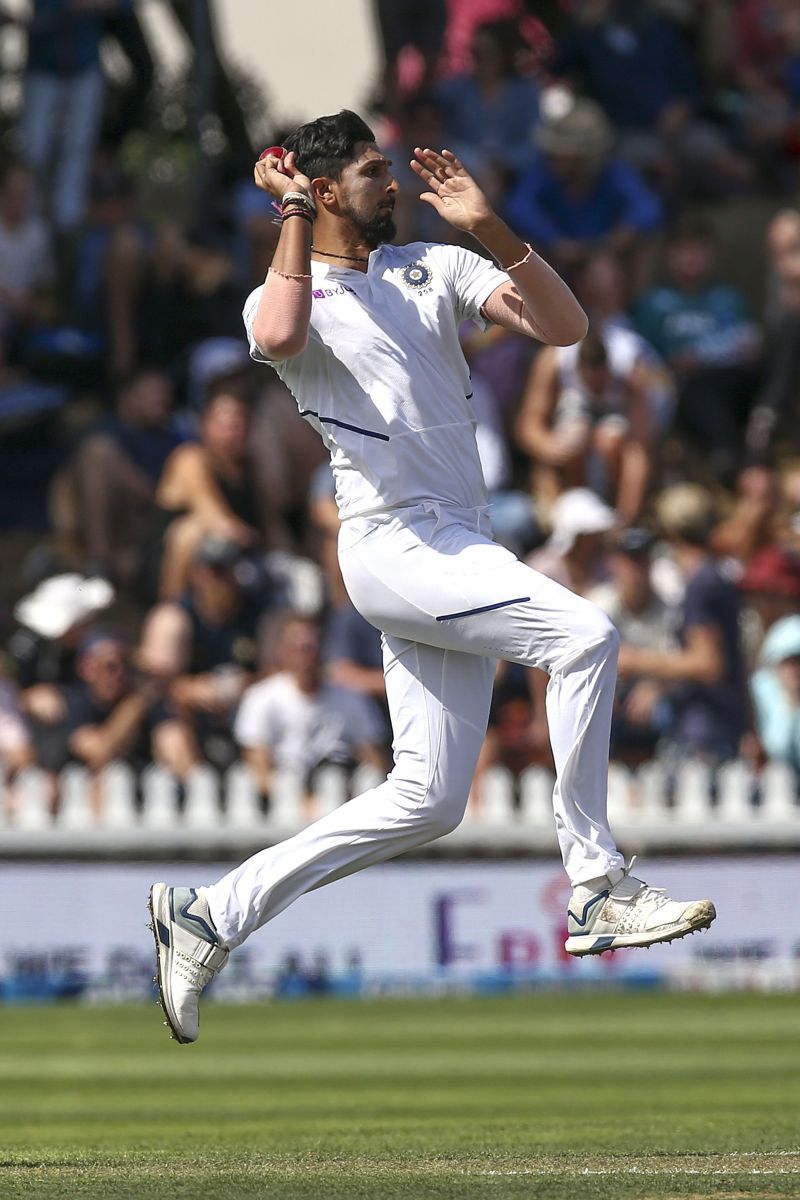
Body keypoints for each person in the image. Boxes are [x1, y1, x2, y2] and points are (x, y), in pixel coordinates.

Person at [148, 109, 714, 1044]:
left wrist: (488, 226)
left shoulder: (431, 266)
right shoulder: (281, 290)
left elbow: (565, 328)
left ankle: (211, 914)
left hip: (460, 540)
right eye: (373, 174)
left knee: (429, 800)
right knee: (587, 636)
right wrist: (289, 212)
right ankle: (597, 890)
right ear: (326, 193)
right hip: (394, 545)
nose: (395, 185)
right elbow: (284, 338)